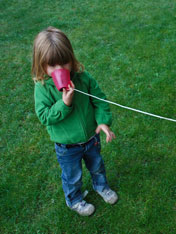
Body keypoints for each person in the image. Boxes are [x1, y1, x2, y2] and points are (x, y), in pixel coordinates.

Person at [32, 27, 118, 216]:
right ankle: (74, 199)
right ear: (41, 64)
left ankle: (101, 186)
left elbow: (99, 100)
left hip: (91, 138)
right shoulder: (43, 88)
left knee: (97, 166)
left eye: (64, 63)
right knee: (72, 177)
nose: (60, 69)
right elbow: (44, 116)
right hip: (67, 146)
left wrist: (103, 121)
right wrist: (64, 103)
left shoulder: (83, 78)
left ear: (71, 58)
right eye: (52, 66)